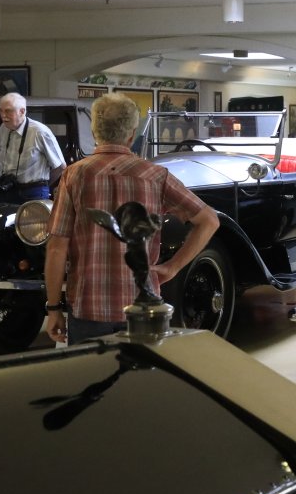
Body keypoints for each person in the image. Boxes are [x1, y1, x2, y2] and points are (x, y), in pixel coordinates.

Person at [42, 93, 219, 344]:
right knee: (140, 371)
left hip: (87, 307)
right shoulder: (156, 176)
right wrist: (172, 267)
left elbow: (57, 247)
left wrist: (53, 308)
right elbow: (209, 220)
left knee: (91, 368)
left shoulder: (74, 175)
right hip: (143, 307)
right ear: (132, 134)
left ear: (94, 131)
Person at [0, 92, 65, 203]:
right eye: (1, 110)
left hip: (33, 193)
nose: (3, 115)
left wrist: (43, 185)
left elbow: (61, 166)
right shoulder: (3, 128)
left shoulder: (40, 132)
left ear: (22, 111)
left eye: (8, 111)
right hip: (7, 190)